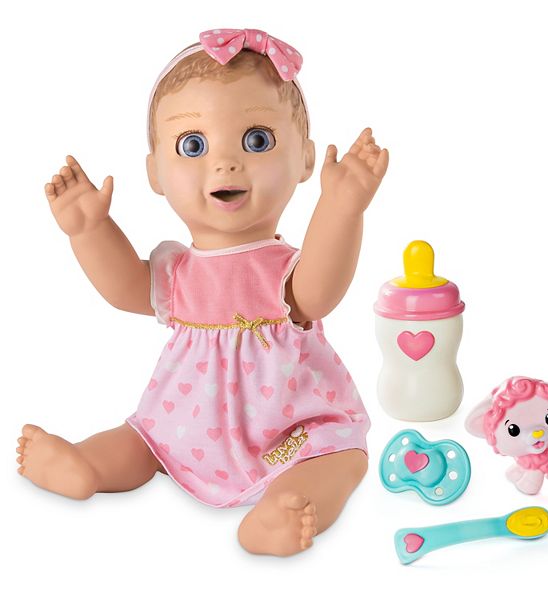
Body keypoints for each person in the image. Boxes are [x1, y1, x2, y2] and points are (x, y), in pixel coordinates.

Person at [16, 28, 389, 557]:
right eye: (193, 145)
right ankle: (87, 465)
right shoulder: (179, 270)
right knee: (142, 442)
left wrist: (342, 208)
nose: (225, 163)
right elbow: (126, 289)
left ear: (305, 159)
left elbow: (317, 295)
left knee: (340, 456)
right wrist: (89, 230)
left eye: (257, 140)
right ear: (155, 172)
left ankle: (281, 510)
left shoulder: (282, 269)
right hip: (184, 423)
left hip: (292, 428)